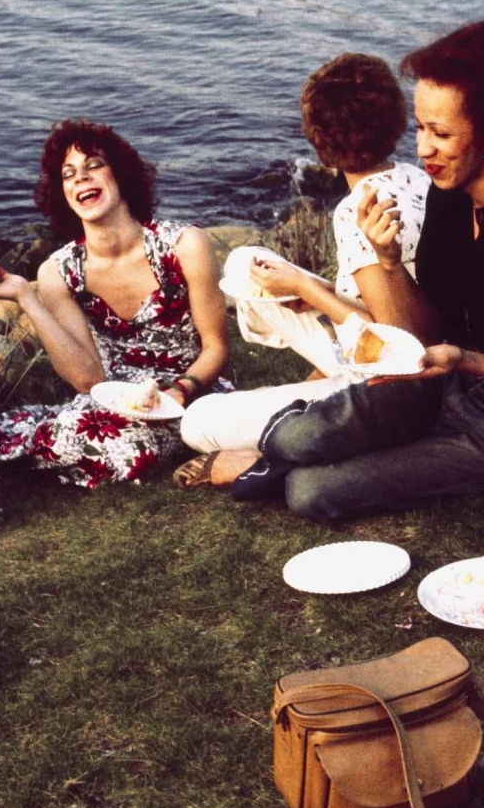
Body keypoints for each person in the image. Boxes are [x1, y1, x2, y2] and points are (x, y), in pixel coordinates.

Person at [223, 19, 484, 519]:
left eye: (440, 133)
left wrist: (466, 360)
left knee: (309, 492)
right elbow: (423, 334)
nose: (422, 150)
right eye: (420, 128)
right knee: (295, 437)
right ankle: (290, 449)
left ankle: (299, 460)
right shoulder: (449, 198)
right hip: (443, 384)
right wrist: (389, 262)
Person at [177, 52, 439, 487]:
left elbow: (393, 344)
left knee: (197, 421)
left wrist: (304, 286)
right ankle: (310, 388)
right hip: (390, 340)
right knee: (245, 264)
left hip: (383, 376)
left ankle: (288, 429)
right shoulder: (416, 178)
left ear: (320, 143)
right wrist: (315, 290)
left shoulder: (357, 211)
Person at [0, 119, 230, 488]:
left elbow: (217, 348)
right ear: (62, 193)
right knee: (67, 430)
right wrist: (27, 298)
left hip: (191, 392)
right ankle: (50, 449)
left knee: (121, 448)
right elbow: (88, 379)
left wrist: (180, 391)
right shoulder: (58, 272)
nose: (81, 178)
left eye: (94, 165)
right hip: (113, 401)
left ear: (120, 175)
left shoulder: (185, 245)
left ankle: (39, 457)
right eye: (69, 174)